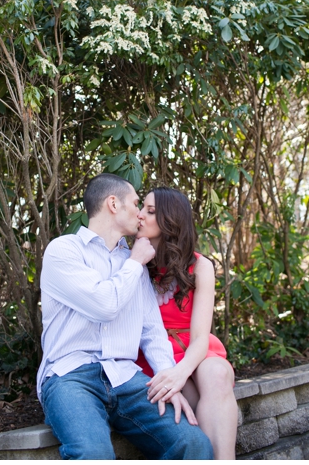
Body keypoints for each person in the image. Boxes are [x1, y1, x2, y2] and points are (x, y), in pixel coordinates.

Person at [37, 173, 213, 459]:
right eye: (135, 203)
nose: (140, 213)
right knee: (94, 454)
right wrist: (133, 263)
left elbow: (152, 331)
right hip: (70, 377)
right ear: (113, 204)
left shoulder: (134, 264)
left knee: (193, 444)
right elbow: (104, 305)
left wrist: (168, 381)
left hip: (125, 378)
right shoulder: (64, 251)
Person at [135, 187, 238, 460]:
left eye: (151, 211)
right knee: (188, 394)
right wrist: (175, 375)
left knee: (216, 376)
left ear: (171, 219)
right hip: (155, 354)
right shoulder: (132, 260)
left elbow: (201, 337)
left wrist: (181, 372)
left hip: (194, 348)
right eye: (142, 207)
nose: (140, 215)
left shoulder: (200, 266)